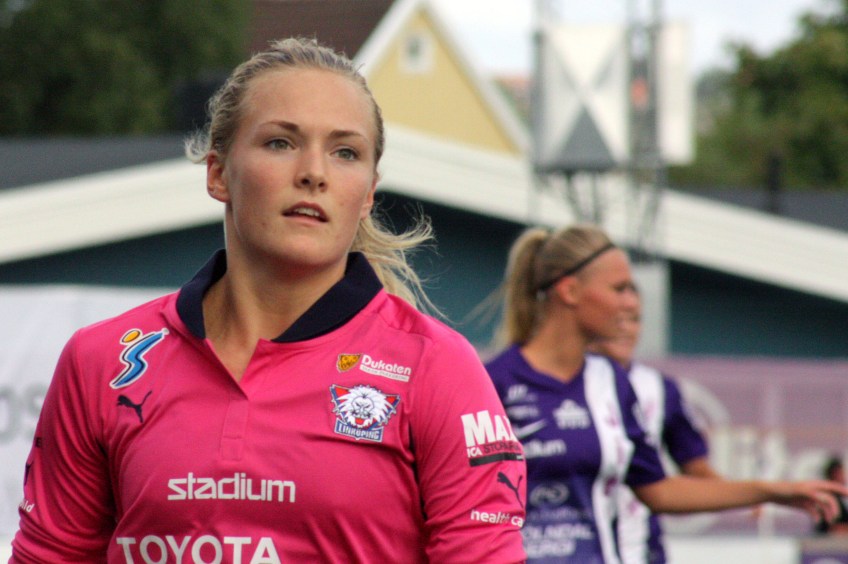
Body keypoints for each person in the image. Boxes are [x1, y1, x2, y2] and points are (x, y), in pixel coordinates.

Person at [11, 37, 526, 563]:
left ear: (368, 193)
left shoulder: (436, 367)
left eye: (345, 152)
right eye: (281, 143)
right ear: (218, 173)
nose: (314, 173)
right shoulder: (100, 361)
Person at [483, 224, 847, 564]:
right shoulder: (493, 383)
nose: (630, 303)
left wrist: (776, 491)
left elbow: (659, 491)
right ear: (570, 291)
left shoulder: (611, 381)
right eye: (619, 289)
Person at [589, 298, 721, 563]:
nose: (625, 328)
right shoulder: (563, 381)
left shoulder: (660, 388)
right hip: (580, 544)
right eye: (618, 319)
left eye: (634, 320)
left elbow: (694, 466)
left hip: (642, 546)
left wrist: (756, 495)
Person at [816, 456, 848, 535]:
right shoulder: (827, 499)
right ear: (831, 476)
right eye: (839, 474)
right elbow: (833, 529)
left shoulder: (839, 499)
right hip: (828, 541)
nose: (842, 477)